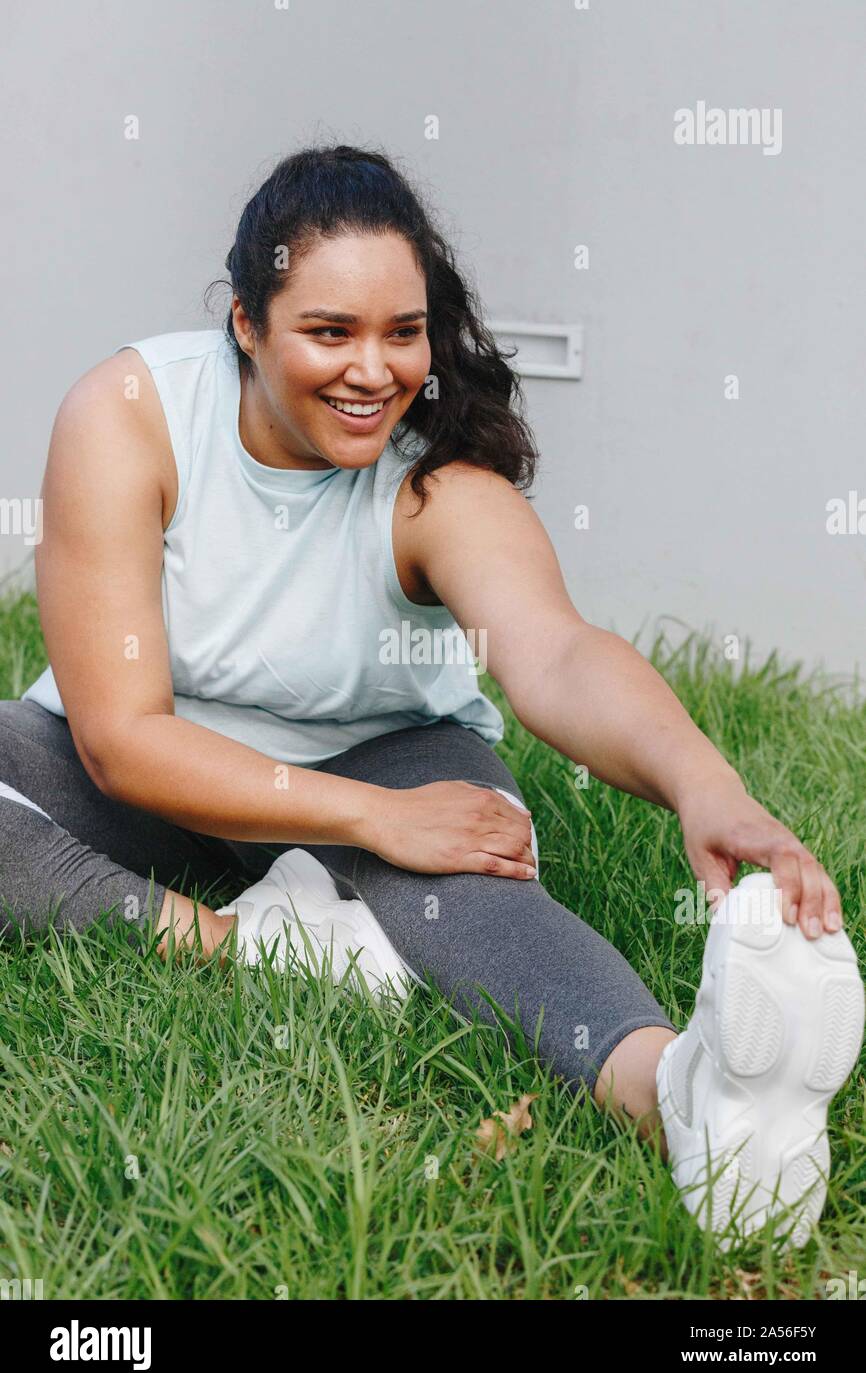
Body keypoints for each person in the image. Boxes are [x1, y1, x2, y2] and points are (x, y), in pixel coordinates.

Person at [2, 144, 861, 1250]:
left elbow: (554, 653)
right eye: (328, 332)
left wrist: (703, 780)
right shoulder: (130, 413)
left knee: (459, 881)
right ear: (245, 325)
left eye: (400, 333)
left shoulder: (432, 477)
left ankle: (688, 1097)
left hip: (387, 747)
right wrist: (369, 823)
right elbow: (121, 740)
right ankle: (243, 942)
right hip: (151, 767)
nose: (372, 370)